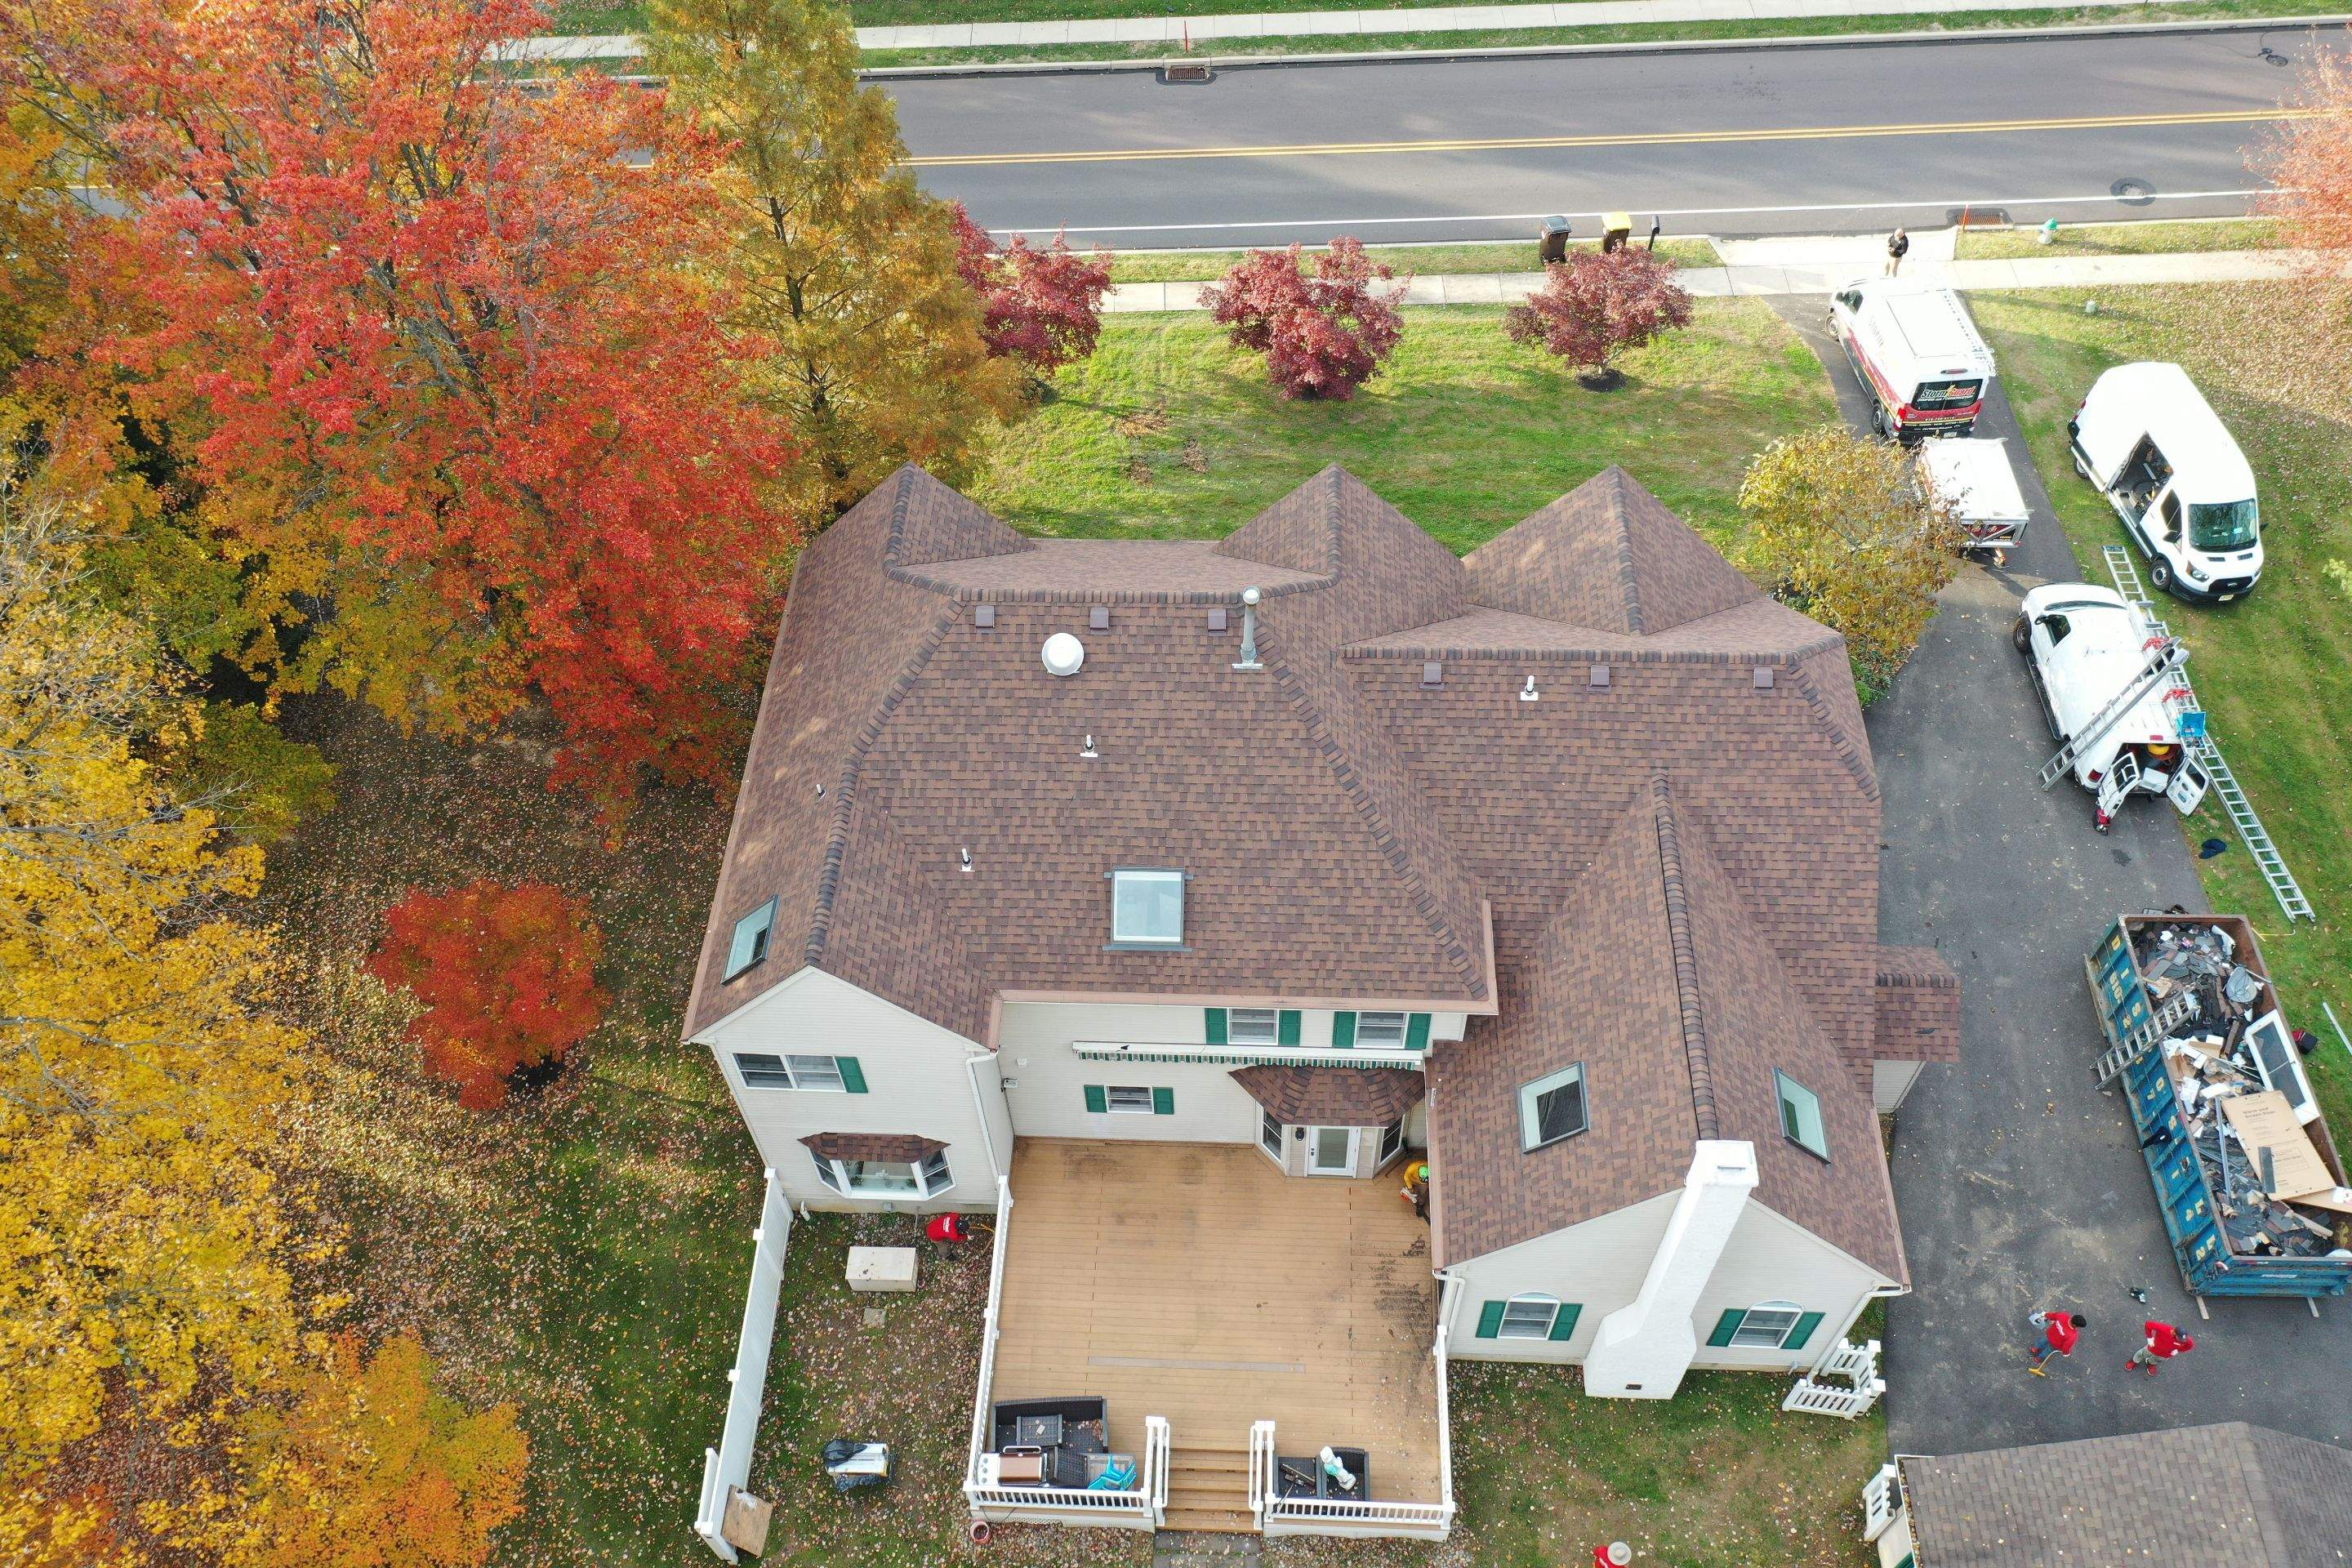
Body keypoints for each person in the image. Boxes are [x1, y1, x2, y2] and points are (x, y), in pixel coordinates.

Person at [2028, 1309, 2086, 1374]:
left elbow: (2052, 1316)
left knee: (2041, 1342)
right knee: (2047, 1351)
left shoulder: (2063, 1316)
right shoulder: (2073, 1335)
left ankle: (2035, 1348)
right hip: (2055, 1345)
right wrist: (2066, 1354)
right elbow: (2066, 1347)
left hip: (2049, 1334)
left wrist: (2045, 1314)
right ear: (2075, 1325)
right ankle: (2038, 1359)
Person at [2127, 1321, 2194, 1375]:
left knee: (2157, 1359)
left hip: (2165, 1354)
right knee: (2143, 1353)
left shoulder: (2185, 1339)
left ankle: (2151, 1363)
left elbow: (2190, 1345)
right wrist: (2150, 1338)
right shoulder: (2164, 1329)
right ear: (2174, 1333)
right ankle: (2135, 1360)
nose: (2181, 1341)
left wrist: (2178, 1350)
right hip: (2153, 1347)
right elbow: (2148, 1324)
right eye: (2179, 1338)